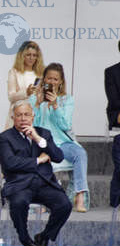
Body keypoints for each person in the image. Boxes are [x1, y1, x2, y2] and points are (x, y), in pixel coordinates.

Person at [0, 100, 70, 246]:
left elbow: (58, 156)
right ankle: (25, 239)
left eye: (26, 115)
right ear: (13, 117)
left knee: (64, 204)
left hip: (44, 183)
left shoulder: (43, 134)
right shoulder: (4, 138)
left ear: (33, 116)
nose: (23, 118)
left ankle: (44, 236)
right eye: (19, 115)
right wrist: (38, 160)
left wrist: (38, 139)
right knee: (18, 203)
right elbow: (10, 163)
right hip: (20, 185)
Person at [29, 63, 89, 213]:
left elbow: (65, 125)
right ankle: (44, 200)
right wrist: (37, 103)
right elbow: (33, 125)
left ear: (61, 81)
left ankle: (79, 196)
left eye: (56, 79)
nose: (52, 82)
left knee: (80, 153)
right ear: (44, 80)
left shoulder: (67, 100)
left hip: (63, 142)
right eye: (49, 78)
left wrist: (55, 105)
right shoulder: (35, 98)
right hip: (44, 143)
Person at [6, 40, 45, 129]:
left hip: (37, 114)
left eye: (34, 55)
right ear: (22, 56)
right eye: (28, 55)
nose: (31, 58)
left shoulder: (42, 73)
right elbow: (11, 97)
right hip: (20, 114)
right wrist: (26, 93)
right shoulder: (14, 72)